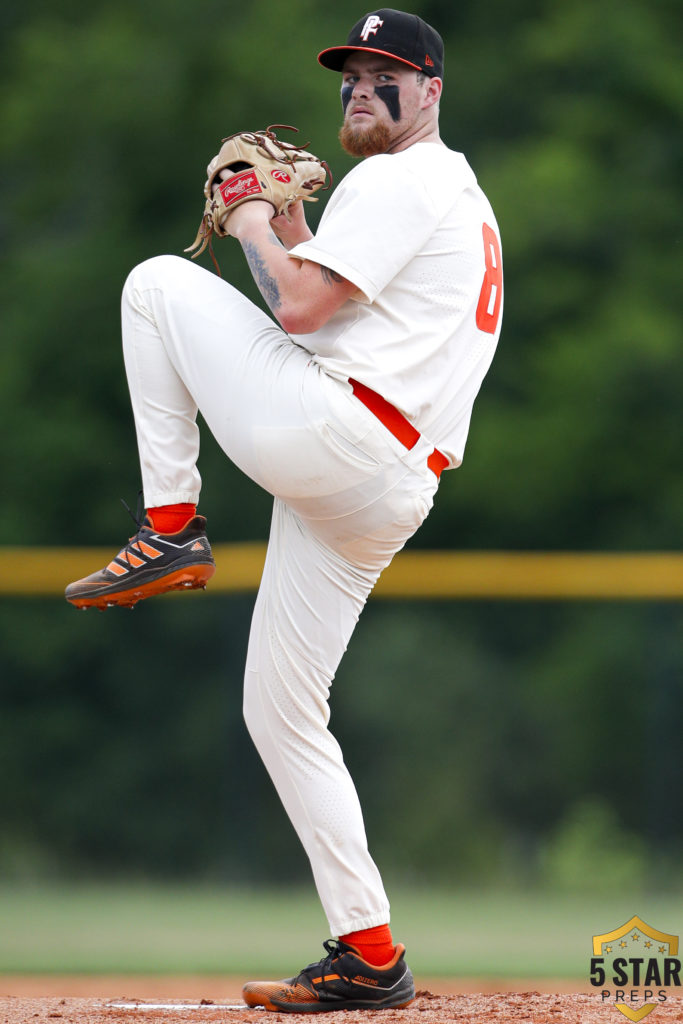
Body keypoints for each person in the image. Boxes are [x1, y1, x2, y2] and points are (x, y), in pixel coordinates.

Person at [66, 7, 503, 1013]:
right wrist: (292, 225)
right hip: (381, 475)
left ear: (431, 89)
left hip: (345, 438)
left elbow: (296, 311)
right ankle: (369, 949)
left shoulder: (407, 175)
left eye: (385, 71)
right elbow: (328, 302)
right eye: (349, 71)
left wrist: (253, 215)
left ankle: (169, 527)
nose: (360, 84)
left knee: (153, 283)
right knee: (280, 709)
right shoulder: (437, 191)